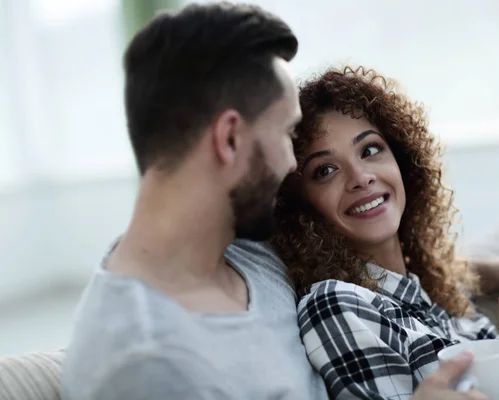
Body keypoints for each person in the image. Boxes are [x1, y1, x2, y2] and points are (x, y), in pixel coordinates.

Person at [272, 66, 499, 399]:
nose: (361, 176)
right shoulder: (334, 304)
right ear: (301, 208)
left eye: (370, 150)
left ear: (402, 160)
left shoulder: (442, 294)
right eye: (325, 170)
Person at [60, 3, 325, 399]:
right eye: (287, 133)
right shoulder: (145, 367)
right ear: (230, 138)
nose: (292, 163)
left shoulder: (248, 252)